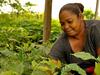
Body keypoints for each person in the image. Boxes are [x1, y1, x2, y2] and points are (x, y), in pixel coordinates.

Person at [49, 3, 100, 75]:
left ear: (81, 17)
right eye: (62, 24)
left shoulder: (96, 28)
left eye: (69, 21)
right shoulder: (62, 42)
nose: (66, 27)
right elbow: (50, 64)